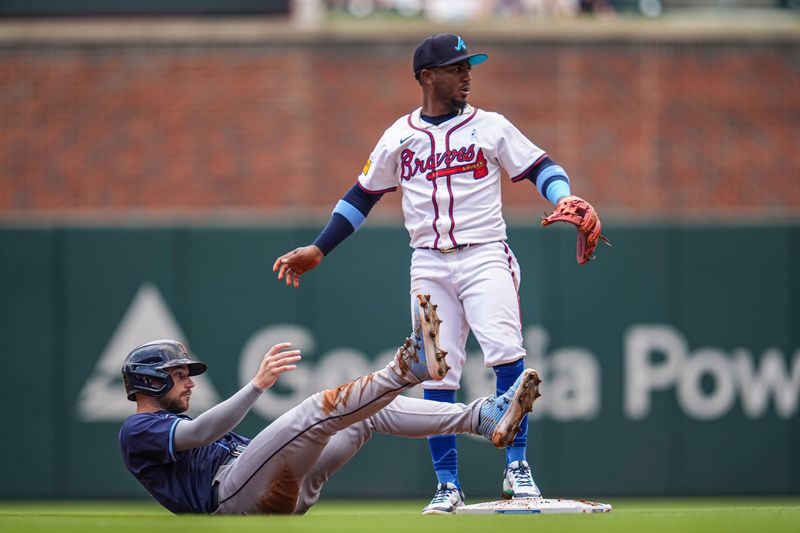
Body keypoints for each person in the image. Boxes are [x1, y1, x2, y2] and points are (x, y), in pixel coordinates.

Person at [272, 33, 603, 514]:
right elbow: (362, 194)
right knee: (436, 371)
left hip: (484, 253)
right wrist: (321, 249)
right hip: (427, 260)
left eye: (469, 66)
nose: (467, 74)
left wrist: (562, 197)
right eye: (457, 67)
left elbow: (540, 166)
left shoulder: (489, 126)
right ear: (428, 76)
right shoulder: (399, 135)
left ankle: (517, 466)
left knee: (507, 355)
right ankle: (447, 483)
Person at [118, 294, 542, 515]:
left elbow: (217, 439)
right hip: (230, 498)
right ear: (148, 382)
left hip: (265, 486)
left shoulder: (167, 421)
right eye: (178, 375)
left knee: (365, 414)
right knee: (316, 409)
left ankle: (482, 418)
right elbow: (200, 434)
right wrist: (256, 386)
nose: (189, 381)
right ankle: (406, 370)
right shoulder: (136, 431)